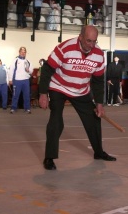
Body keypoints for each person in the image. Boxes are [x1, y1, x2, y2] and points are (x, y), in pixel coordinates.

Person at [39, 25, 117, 170]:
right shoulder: (65, 48)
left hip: (81, 90)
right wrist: (43, 93)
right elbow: (47, 69)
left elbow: (98, 81)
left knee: (94, 118)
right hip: (59, 87)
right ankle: (49, 157)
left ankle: (98, 152)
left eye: (94, 41)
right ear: (80, 37)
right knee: (56, 120)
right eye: (88, 41)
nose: (92, 45)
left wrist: (99, 103)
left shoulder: (99, 54)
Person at [8, 46, 33, 114]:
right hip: (17, 80)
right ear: (19, 52)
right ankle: (13, 108)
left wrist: (29, 70)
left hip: (26, 80)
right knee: (15, 95)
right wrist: (10, 79)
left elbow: (31, 71)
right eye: (22, 52)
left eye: (24, 52)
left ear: (26, 53)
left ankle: (27, 108)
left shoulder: (28, 61)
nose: (23, 53)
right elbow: (11, 70)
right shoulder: (15, 60)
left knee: (26, 95)